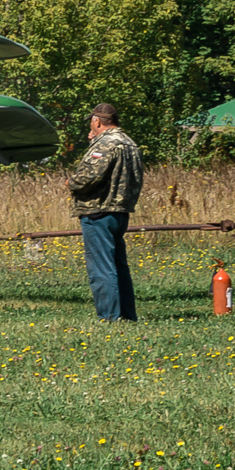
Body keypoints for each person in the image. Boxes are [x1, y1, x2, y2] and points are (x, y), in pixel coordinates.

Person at [67, 102, 144, 321]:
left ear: (97, 121)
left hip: (98, 211)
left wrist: (71, 183)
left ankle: (110, 317)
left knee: (101, 267)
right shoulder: (130, 144)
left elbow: (88, 177)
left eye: (91, 123)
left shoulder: (106, 144)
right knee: (119, 266)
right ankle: (127, 316)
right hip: (120, 211)